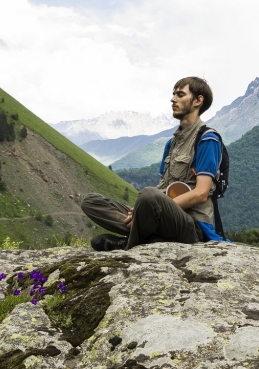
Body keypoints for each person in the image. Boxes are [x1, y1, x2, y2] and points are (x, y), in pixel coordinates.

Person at [81, 77, 225, 251]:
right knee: (91, 201)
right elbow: (162, 188)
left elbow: (201, 193)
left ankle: (128, 245)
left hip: (191, 226)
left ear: (198, 100)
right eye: (173, 95)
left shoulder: (208, 139)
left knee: (148, 195)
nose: (173, 99)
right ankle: (149, 236)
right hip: (162, 218)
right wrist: (140, 211)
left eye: (180, 94)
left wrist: (152, 206)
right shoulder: (171, 144)